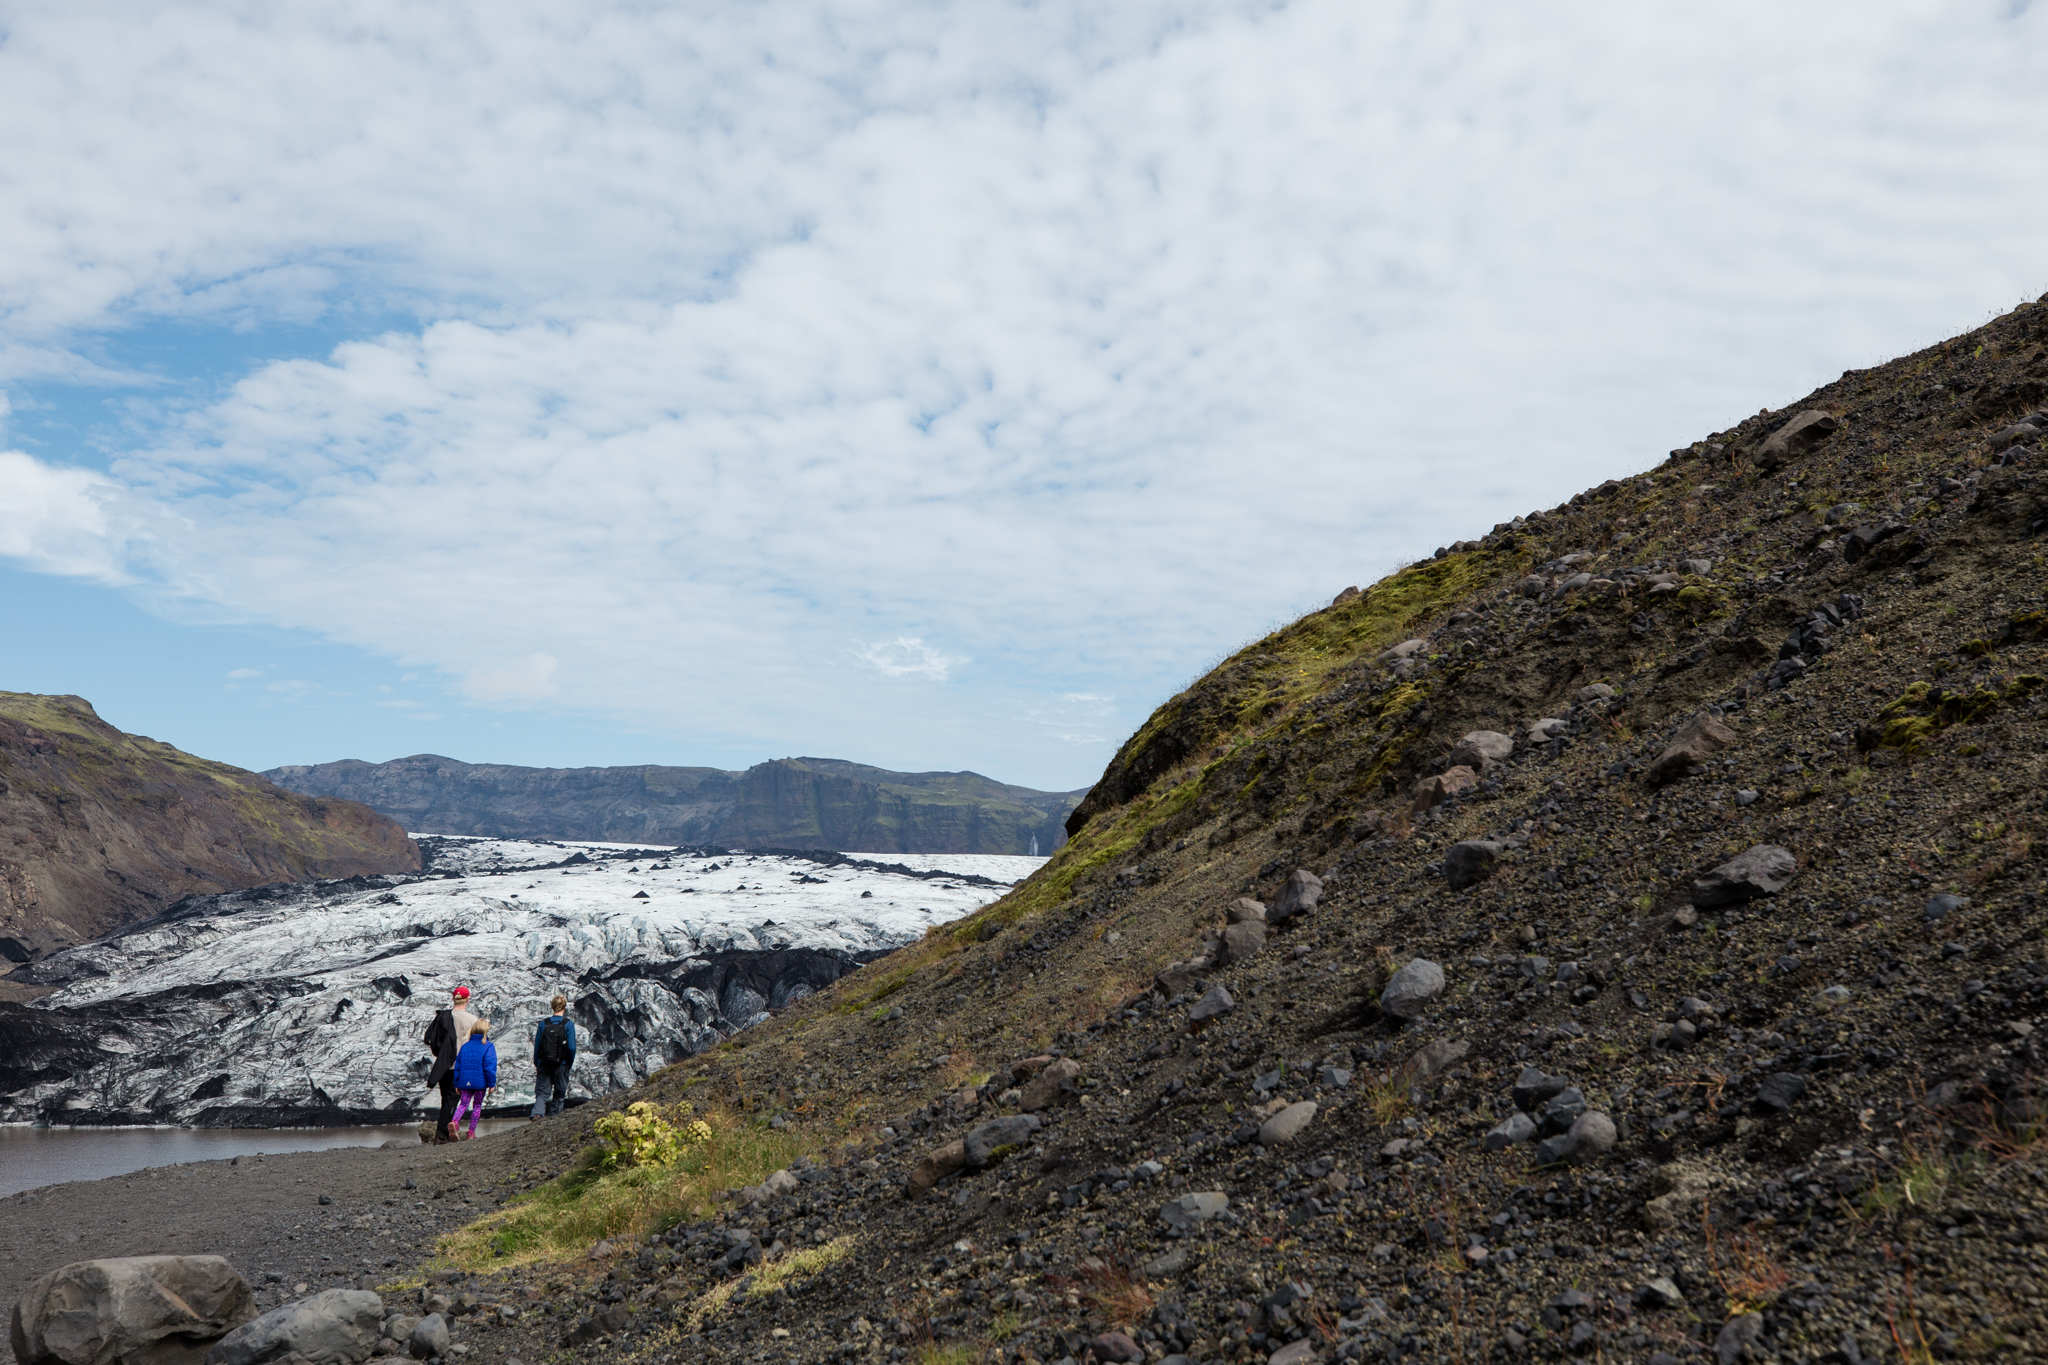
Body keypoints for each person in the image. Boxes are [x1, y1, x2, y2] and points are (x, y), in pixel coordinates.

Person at [423, 986, 479, 1143]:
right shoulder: (473, 1020)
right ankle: (441, 1134)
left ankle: (444, 1132)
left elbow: (432, 1040)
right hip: (462, 1066)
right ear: (468, 1000)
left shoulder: (442, 1017)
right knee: (452, 1100)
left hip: (444, 1065)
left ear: (453, 999)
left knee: (445, 1099)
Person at [531, 994, 577, 1119]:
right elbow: (571, 1047)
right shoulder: (568, 1025)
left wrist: (537, 1062)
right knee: (559, 1092)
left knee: (542, 1092)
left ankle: (537, 1114)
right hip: (561, 1064)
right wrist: (568, 1064)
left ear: (552, 1007)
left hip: (544, 1064)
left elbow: (537, 1045)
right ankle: (555, 1118)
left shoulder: (543, 1024)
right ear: (564, 1007)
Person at [450, 1019, 498, 1140]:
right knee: (477, 1105)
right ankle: (471, 1132)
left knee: (463, 1104)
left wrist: (457, 1083)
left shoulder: (465, 1046)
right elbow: (489, 1066)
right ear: (486, 1031)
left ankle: (455, 1122)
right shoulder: (488, 1046)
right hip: (480, 1083)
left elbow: (458, 1066)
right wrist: (491, 1083)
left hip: (465, 1082)